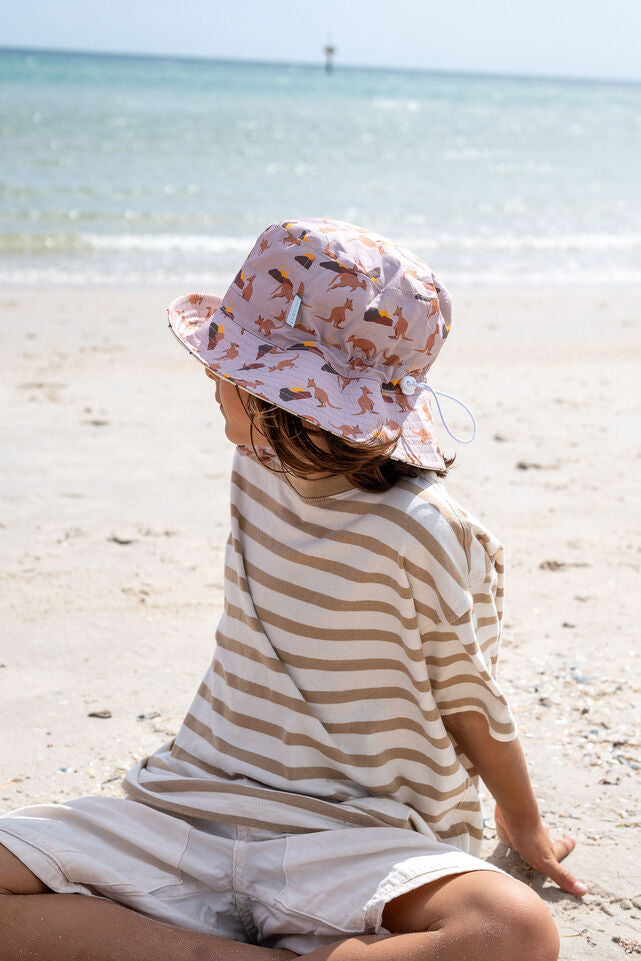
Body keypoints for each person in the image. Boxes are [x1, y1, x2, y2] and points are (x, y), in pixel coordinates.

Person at [0, 218, 586, 961]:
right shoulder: (258, 466)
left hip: (352, 839)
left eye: (227, 364)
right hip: (191, 806)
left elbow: (467, 698)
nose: (211, 373)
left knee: (513, 932)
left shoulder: (423, 530)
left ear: (280, 398)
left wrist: (520, 819)